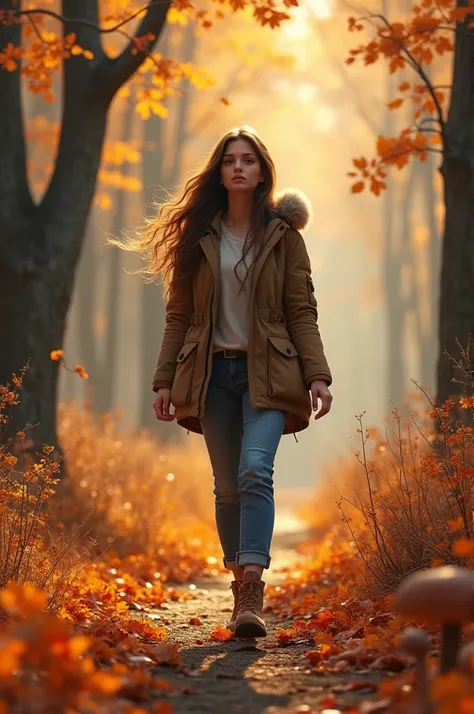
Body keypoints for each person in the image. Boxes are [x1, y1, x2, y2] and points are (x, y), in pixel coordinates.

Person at [127, 126, 332, 639]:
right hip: (211, 373)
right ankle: (239, 586)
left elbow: (300, 311)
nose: (238, 167)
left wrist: (318, 375)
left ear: (262, 171)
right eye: (229, 160)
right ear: (219, 171)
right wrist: (163, 380)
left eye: (248, 160)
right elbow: (178, 317)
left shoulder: (285, 238)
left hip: (268, 373)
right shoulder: (200, 238)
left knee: (254, 468)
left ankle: (253, 586)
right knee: (226, 487)